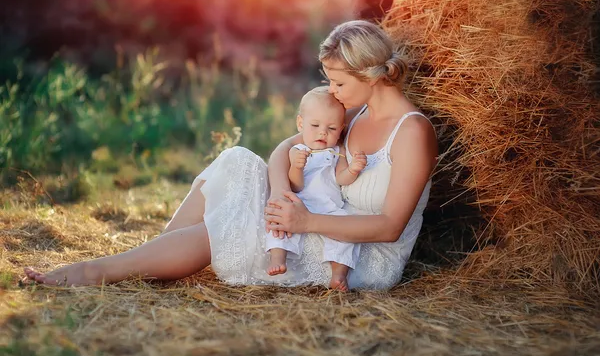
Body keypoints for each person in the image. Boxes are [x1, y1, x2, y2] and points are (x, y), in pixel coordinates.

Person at [24, 20, 438, 290]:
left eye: (338, 83)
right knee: (238, 159)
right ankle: (153, 257)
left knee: (238, 223)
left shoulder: (413, 132)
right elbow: (286, 147)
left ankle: (100, 271)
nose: (331, 92)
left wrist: (306, 220)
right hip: (314, 214)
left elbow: (389, 227)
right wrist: (282, 193)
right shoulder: (355, 111)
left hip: (357, 256)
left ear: (371, 75)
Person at [266, 86, 366, 291]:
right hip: (301, 203)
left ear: (341, 129)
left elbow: (341, 178)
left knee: (347, 232)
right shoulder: (298, 150)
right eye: (315, 125)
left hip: (329, 208)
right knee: (279, 220)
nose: (323, 132)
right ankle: (278, 257)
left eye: (331, 128)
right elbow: (296, 185)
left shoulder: (338, 151)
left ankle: (339, 273)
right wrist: (296, 166)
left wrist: (353, 169)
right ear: (300, 123)